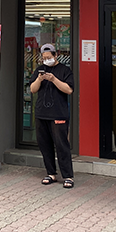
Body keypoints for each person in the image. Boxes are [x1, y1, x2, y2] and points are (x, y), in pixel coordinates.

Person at [29, 43, 75, 188]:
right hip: (42, 113)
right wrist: (40, 79)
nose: (46, 60)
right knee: (44, 144)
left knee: (61, 144)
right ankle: (51, 173)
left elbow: (69, 90)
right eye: (44, 58)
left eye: (49, 57)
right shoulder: (39, 70)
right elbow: (32, 89)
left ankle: (68, 176)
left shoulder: (64, 70)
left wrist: (54, 79)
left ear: (56, 55)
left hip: (59, 113)